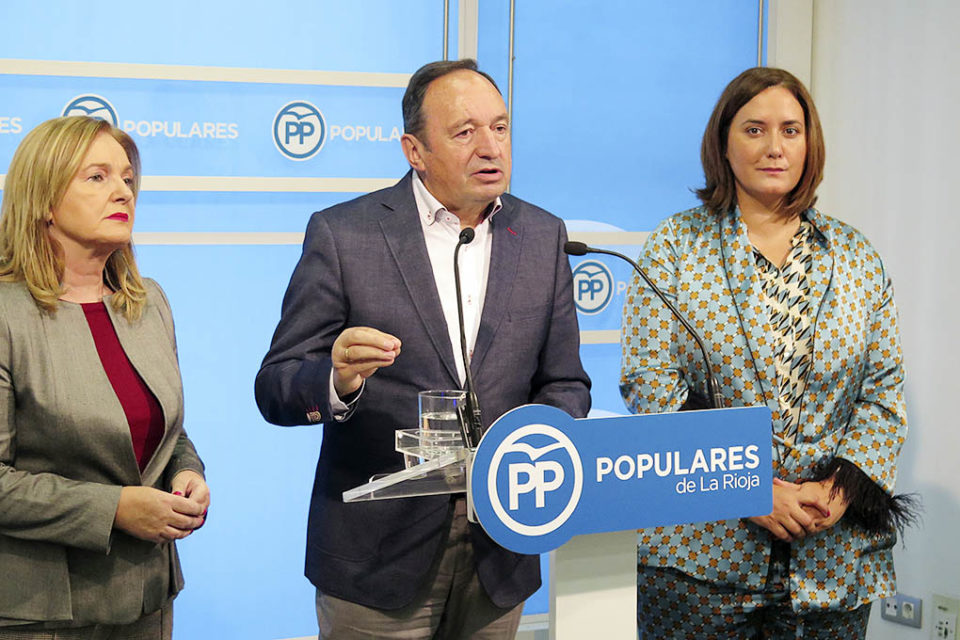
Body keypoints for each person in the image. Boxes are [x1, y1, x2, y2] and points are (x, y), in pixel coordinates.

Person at [255, 59, 591, 639]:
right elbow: (276, 384)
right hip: (378, 554)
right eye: (465, 132)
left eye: (501, 128)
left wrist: (534, 446)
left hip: (502, 548)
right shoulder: (345, 234)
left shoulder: (543, 236)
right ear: (415, 149)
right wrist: (336, 381)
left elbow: (566, 382)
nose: (490, 147)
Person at [620, 67, 916, 638]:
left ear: (811, 144)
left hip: (831, 553)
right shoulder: (675, 246)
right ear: (723, 143)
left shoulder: (856, 256)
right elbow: (649, 385)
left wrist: (837, 490)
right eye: (754, 130)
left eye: (791, 130)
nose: (775, 147)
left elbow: (883, 392)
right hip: (699, 558)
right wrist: (746, 484)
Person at [0, 116, 209, 638]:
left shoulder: (148, 302)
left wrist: (189, 473)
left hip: (148, 598)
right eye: (97, 177)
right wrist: (112, 509)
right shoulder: (7, 315)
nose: (122, 191)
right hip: (41, 611)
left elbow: (164, 431)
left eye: (127, 179)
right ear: (44, 199)